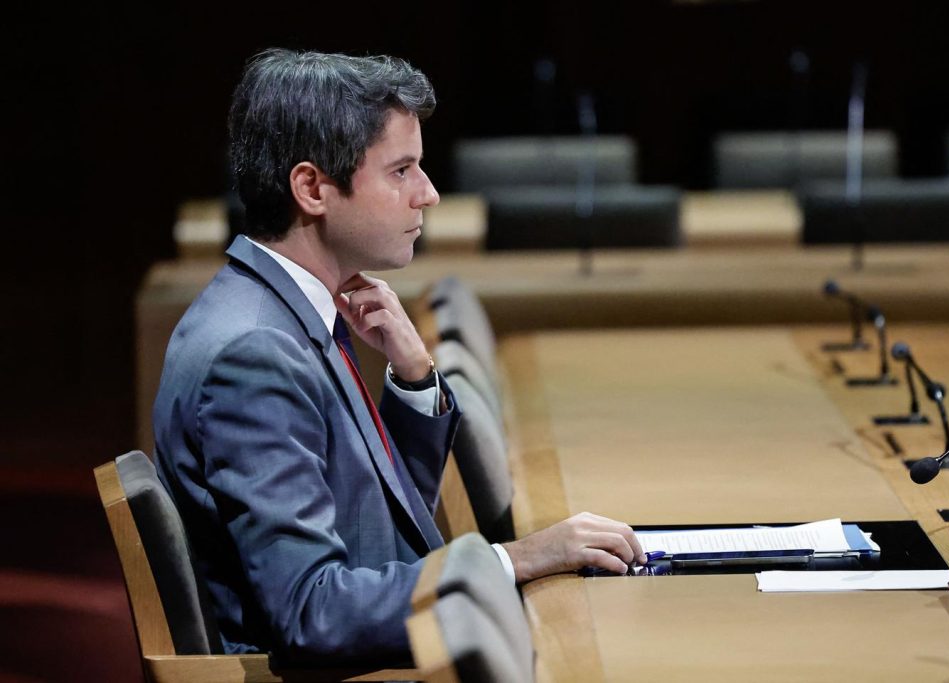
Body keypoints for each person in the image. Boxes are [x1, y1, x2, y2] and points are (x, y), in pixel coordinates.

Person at [153, 48, 645, 666]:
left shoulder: (284, 309)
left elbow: (377, 527)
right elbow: (313, 610)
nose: (430, 194)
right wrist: (510, 561)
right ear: (312, 188)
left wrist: (412, 380)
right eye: (401, 170)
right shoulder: (254, 354)